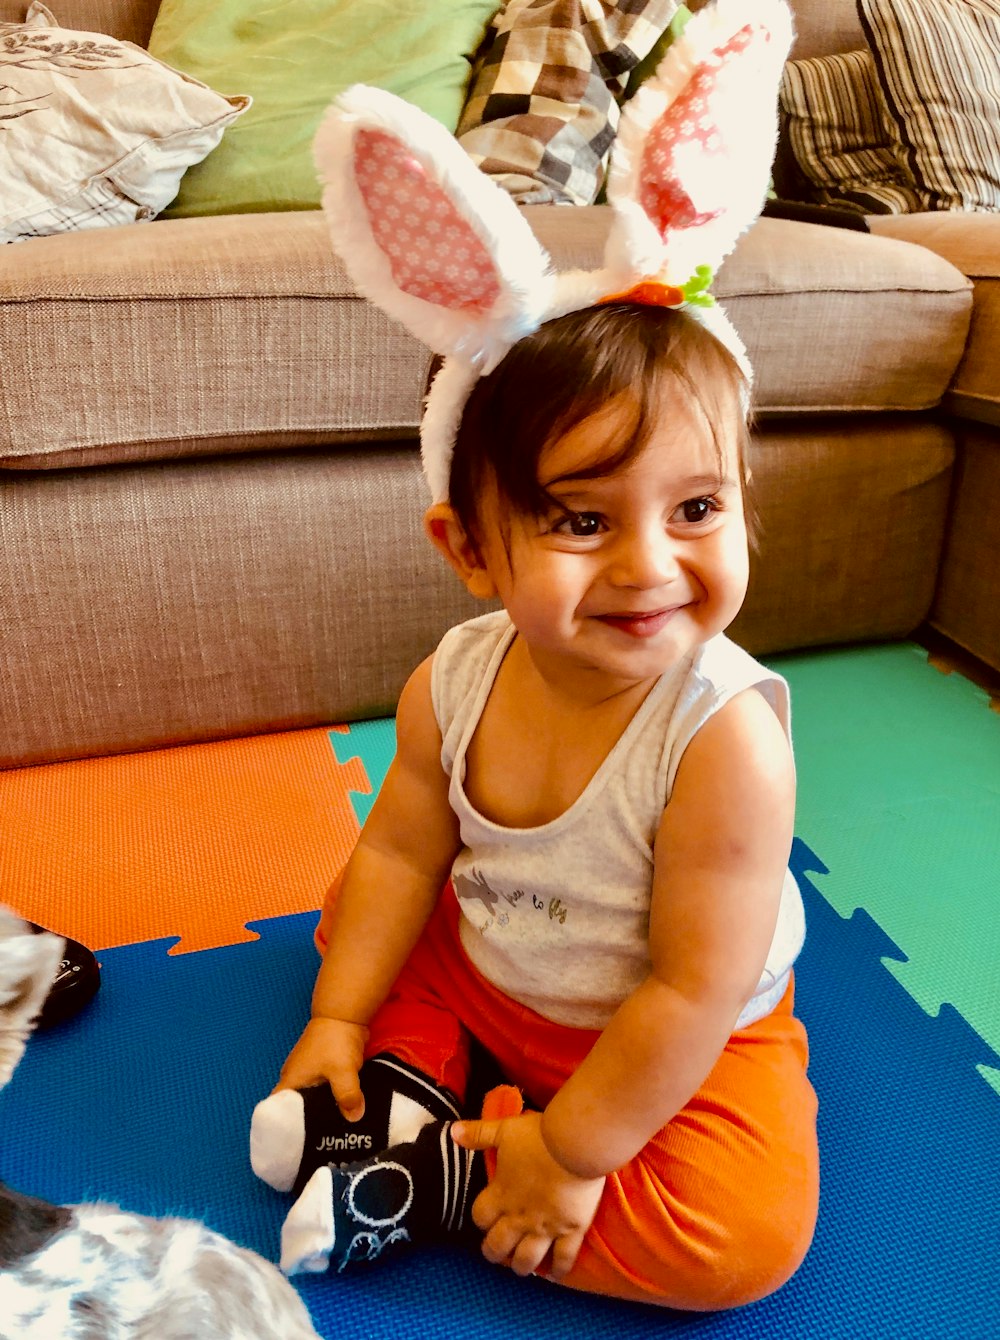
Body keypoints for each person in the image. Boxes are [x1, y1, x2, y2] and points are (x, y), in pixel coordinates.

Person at [250, 0, 816, 1309]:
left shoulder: (724, 741)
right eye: (577, 520)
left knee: (745, 1240)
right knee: (357, 915)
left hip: (678, 1031)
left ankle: (441, 1171)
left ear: (743, 500)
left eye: (697, 509)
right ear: (472, 551)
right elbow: (402, 847)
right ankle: (391, 1087)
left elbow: (688, 986)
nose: (647, 566)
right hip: (500, 966)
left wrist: (566, 1155)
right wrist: (338, 1016)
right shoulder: (453, 680)